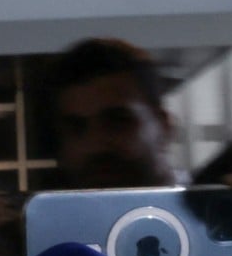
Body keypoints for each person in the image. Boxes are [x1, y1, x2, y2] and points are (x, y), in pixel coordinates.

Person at [48, 37, 177, 189]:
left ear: (164, 126)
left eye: (118, 122)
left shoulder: (206, 209)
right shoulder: (50, 212)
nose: (95, 144)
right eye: (76, 128)